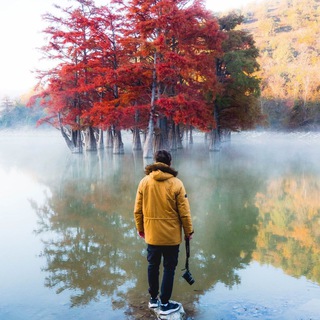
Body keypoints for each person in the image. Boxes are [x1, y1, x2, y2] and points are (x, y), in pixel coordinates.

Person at [133, 150, 194, 316]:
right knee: (169, 268)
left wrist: (140, 229)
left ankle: (153, 300)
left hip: (152, 235)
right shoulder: (176, 183)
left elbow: (137, 210)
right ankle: (165, 304)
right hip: (171, 236)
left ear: (155, 162)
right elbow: (185, 212)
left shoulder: (144, 182)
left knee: (152, 266)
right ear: (169, 163)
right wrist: (189, 231)